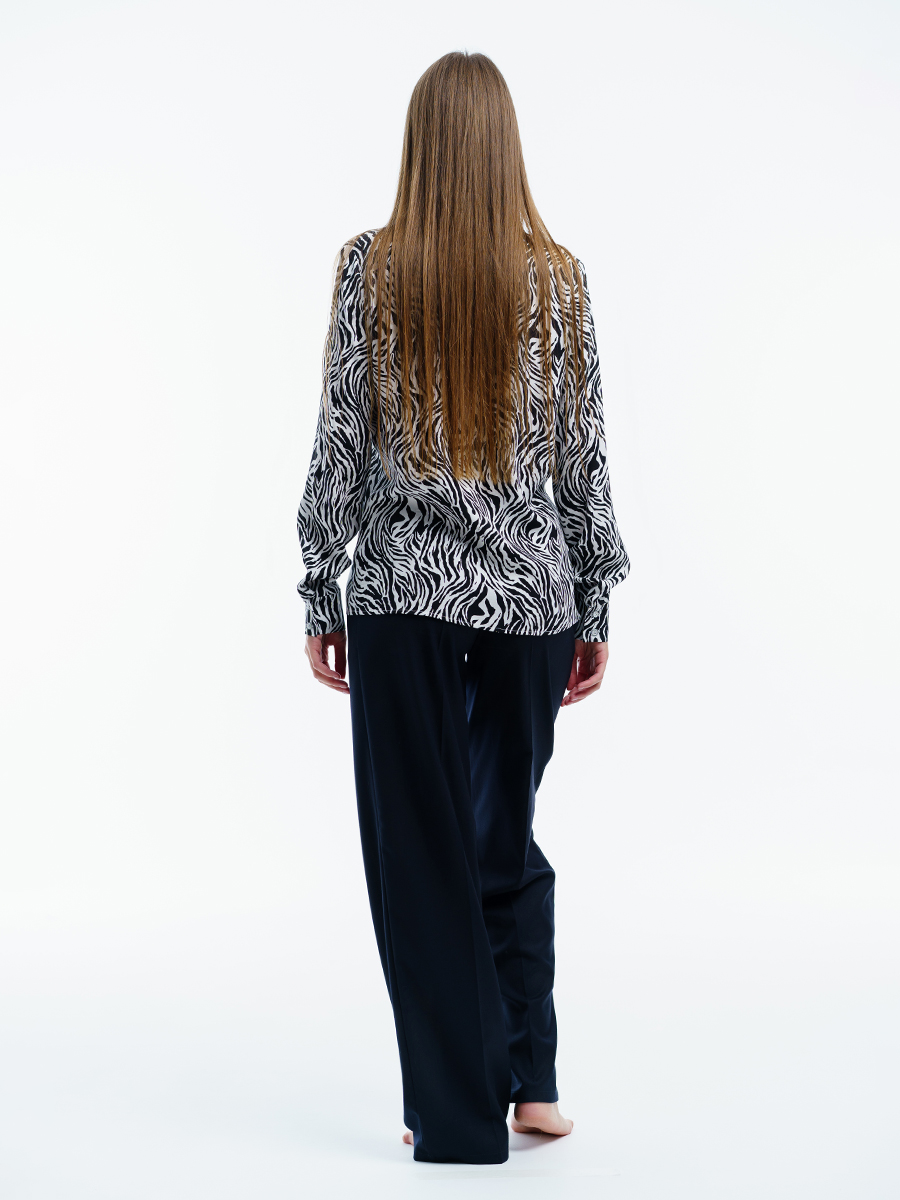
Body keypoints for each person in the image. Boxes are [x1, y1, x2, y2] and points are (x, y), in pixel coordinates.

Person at [296, 51, 630, 1165]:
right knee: (499, 834)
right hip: (533, 602)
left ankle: (454, 1113)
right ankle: (530, 1083)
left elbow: (341, 445)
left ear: (421, 145)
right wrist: (593, 605)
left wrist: (319, 585)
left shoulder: (369, 269)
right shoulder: (561, 280)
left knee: (424, 853)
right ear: (504, 147)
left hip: (404, 601)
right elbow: (583, 462)